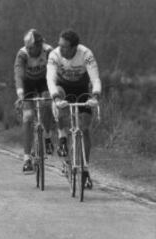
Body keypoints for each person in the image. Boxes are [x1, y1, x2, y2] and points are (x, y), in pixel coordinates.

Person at [46, 29, 101, 187]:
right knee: (60, 99)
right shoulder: (55, 55)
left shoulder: (86, 54)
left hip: (81, 89)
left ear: (74, 47)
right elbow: (50, 79)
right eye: (59, 45)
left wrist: (95, 96)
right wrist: (56, 98)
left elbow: (95, 79)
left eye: (64, 46)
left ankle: (84, 171)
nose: (60, 49)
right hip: (63, 88)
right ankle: (62, 136)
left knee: (84, 129)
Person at [14, 29, 54, 173]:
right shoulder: (22, 54)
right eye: (27, 47)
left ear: (39, 45)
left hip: (44, 81)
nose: (29, 50)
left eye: (32, 47)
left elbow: (54, 72)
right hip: (28, 83)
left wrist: (55, 91)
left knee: (47, 103)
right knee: (28, 116)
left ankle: (47, 137)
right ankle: (26, 159)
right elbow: (18, 75)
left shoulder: (49, 51)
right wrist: (20, 94)